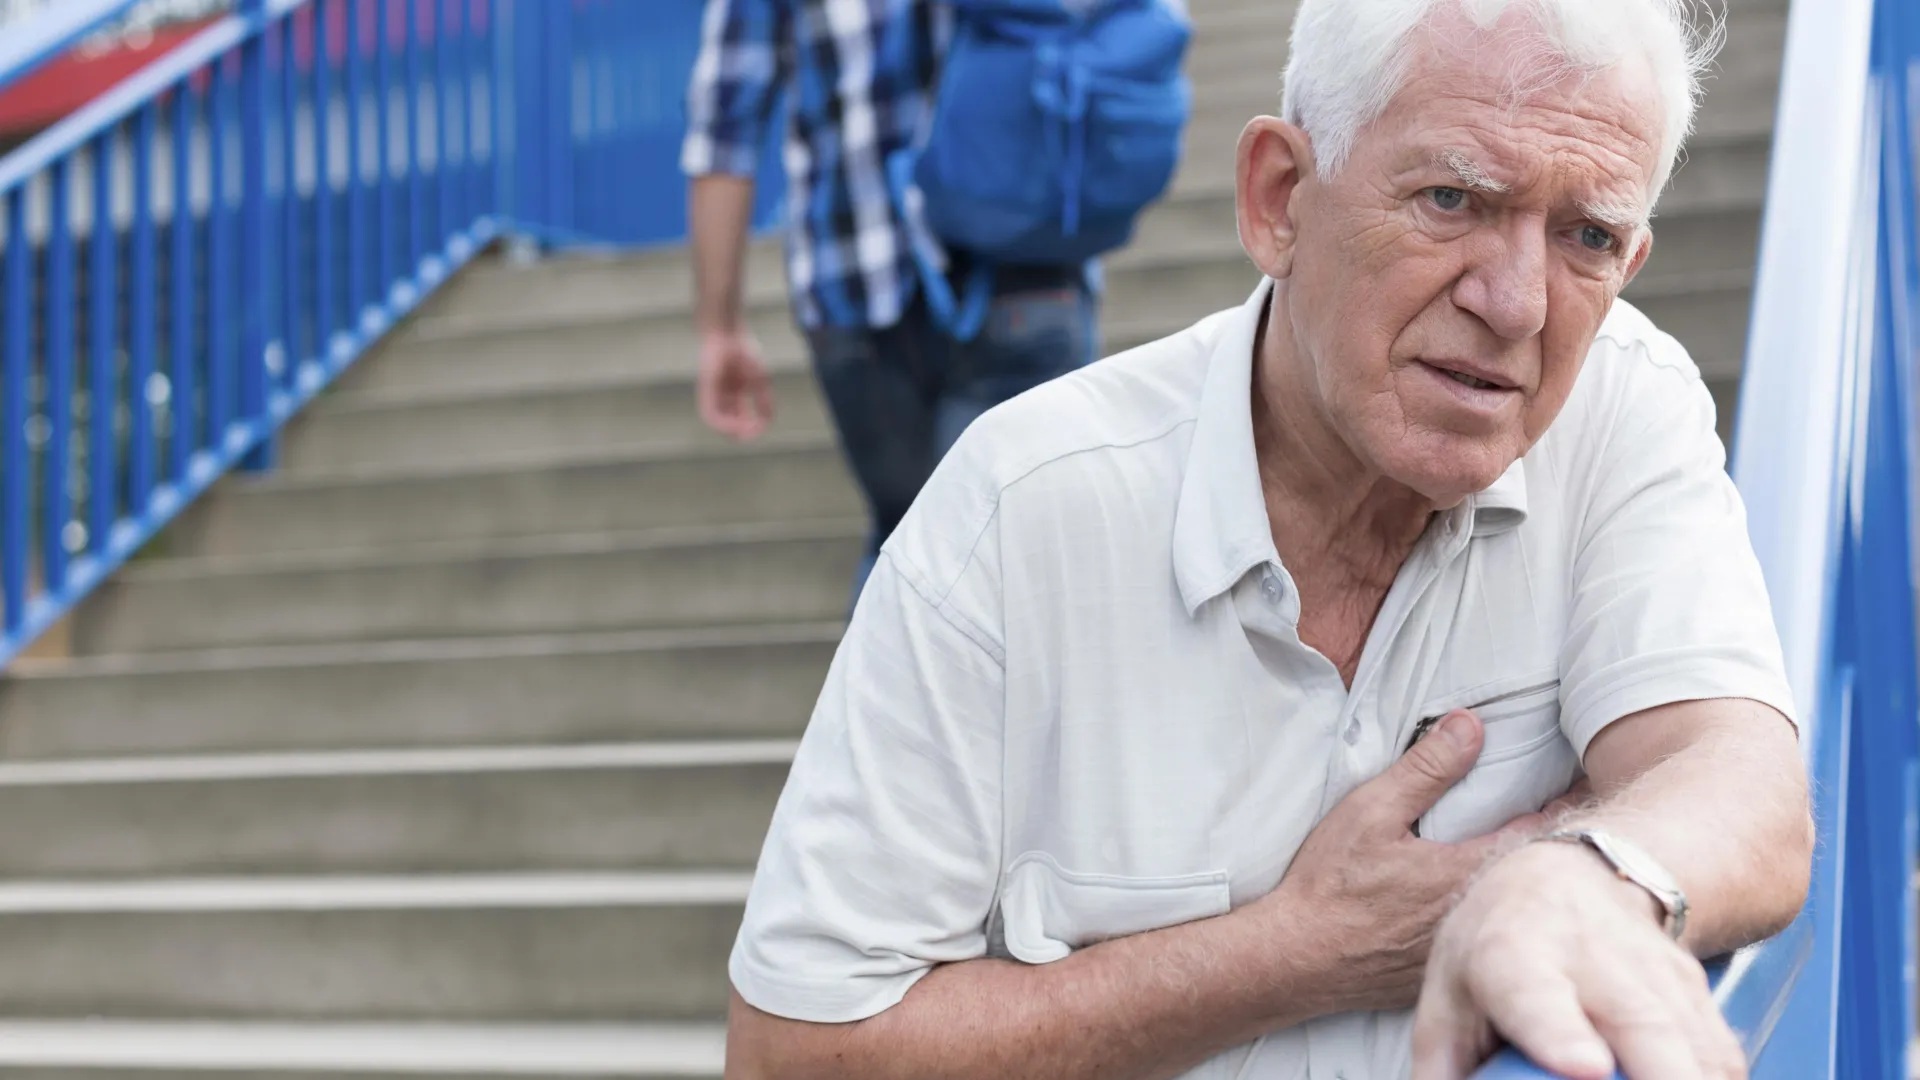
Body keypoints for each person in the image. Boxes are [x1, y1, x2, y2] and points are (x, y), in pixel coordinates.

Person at [724, 0, 1815, 1077]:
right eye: (1452, 198)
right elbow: (791, 1053)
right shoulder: (1022, 507)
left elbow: (1748, 793)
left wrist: (1577, 879)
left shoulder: (1623, 402)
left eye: (1588, 235)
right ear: (1278, 199)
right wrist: (1300, 950)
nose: (1518, 302)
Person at [682, 0, 1102, 596]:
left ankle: (878, 677)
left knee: (907, 547)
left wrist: (718, 326)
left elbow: (724, 129)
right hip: (1024, 264)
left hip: (853, 285)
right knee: (1026, 562)